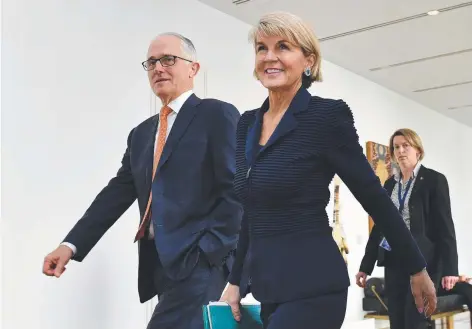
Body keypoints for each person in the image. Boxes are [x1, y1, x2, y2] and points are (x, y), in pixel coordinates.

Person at [219, 11, 437, 329]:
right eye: (261, 48)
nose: (270, 57)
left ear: (308, 60)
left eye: (283, 47)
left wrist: (416, 268)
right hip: (269, 289)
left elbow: (374, 197)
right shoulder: (247, 125)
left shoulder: (326, 118)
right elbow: (251, 213)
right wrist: (236, 280)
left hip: (314, 286)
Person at [42, 32, 243, 329]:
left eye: (168, 60)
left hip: (199, 263)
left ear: (193, 68)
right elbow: (116, 194)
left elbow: (236, 189)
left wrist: (210, 250)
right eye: (151, 63)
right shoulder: (141, 134)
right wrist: (71, 245)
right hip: (159, 264)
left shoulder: (216, 114)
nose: (158, 68)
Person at [356, 128, 458, 329]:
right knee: (398, 320)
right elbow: (379, 227)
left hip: (424, 263)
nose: (400, 151)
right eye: (396, 147)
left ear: (418, 150)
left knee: (416, 320)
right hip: (394, 261)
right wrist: (365, 266)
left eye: (406, 146)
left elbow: (445, 226)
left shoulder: (433, 180)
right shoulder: (389, 185)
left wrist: (450, 269)